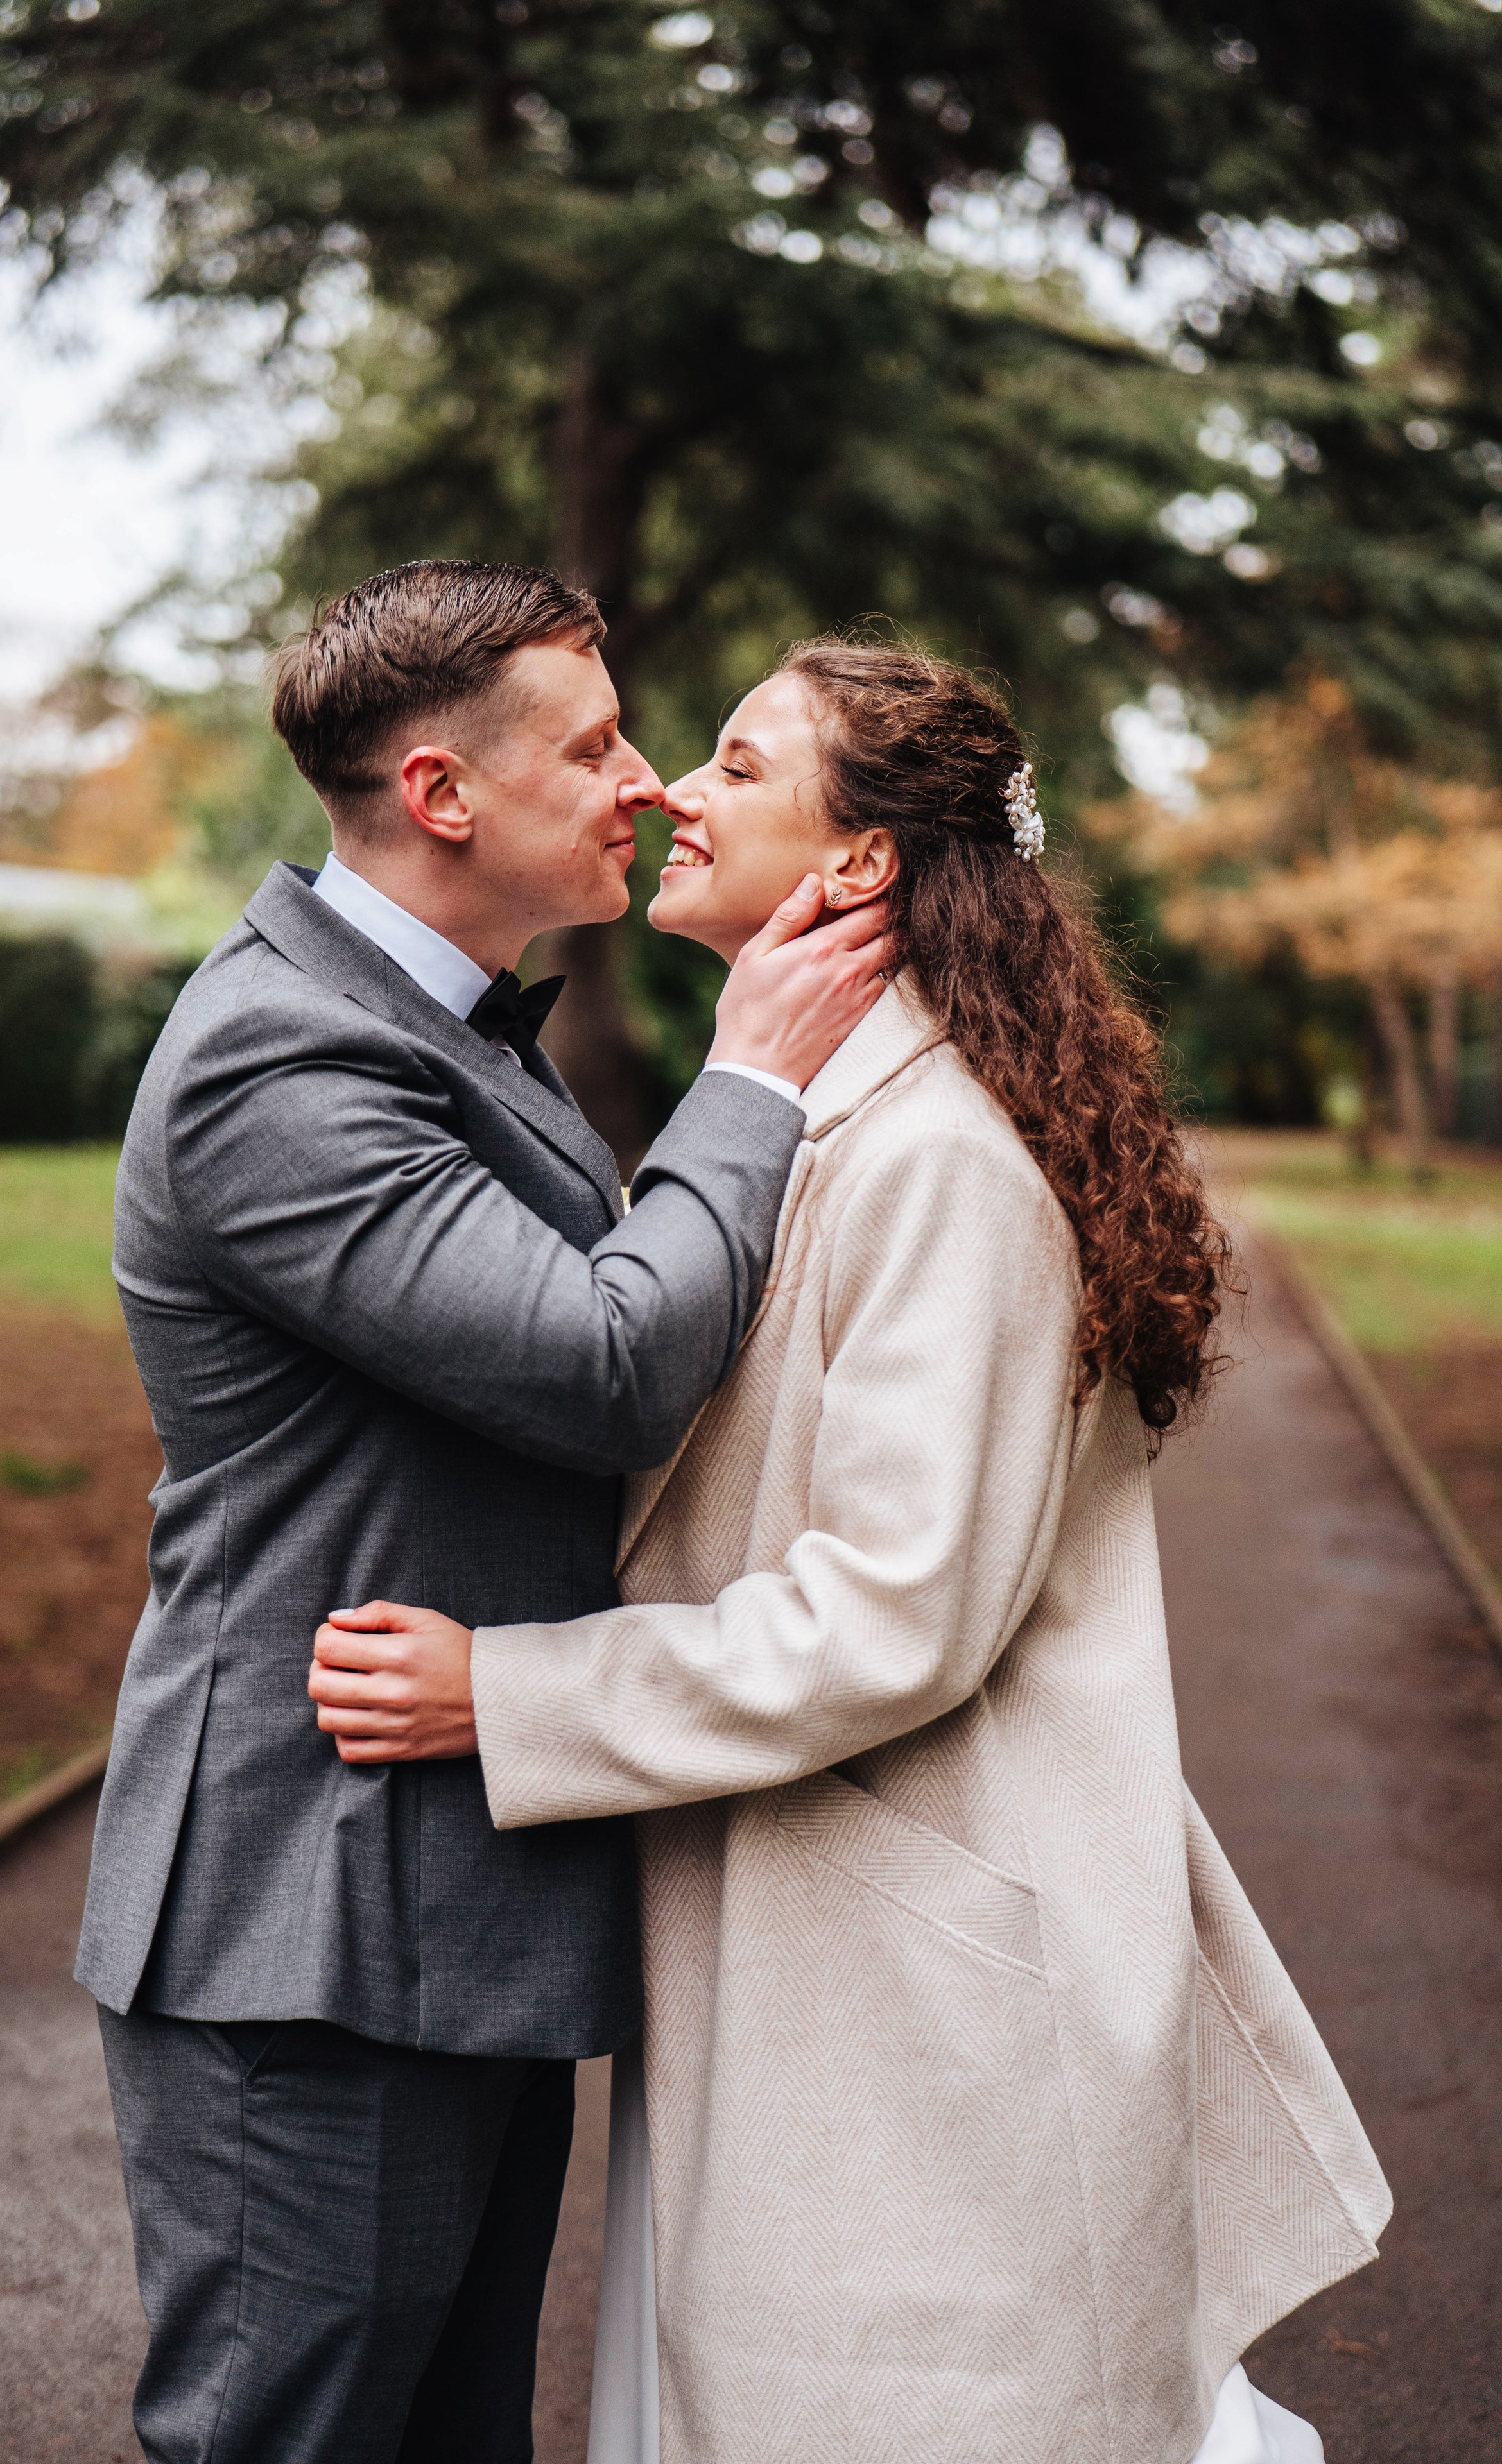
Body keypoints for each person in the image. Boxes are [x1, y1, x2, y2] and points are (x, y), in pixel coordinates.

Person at [308, 637, 1392, 2464]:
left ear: (860, 862)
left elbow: (888, 1618)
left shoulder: (942, 1159)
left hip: (922, 1978)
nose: (670, 791)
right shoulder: (810, 1119)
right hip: (816, 1944)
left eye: (737, 764)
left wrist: (514, 1692)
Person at [74, 561, 890, 2464]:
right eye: (596, 744)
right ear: (444, 795)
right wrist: (755, 1074)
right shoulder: (283, 1057)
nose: (649, 785)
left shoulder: (445, 1029)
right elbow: (603, 1363)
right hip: (312, 1914)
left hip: (457, 1886)